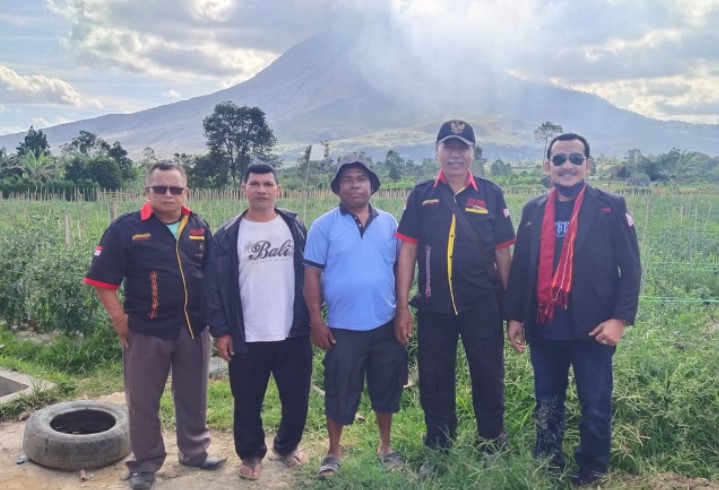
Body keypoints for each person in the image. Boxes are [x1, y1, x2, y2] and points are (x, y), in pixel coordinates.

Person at [504, 132, 641, 486]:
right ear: (547, 165)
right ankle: (548, 464)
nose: (568, 166)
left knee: (595, 404)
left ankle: (592, 470)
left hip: (593, 329)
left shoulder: (610, 206)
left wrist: (620, 319)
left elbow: (632, 267)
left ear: (588, 165)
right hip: (545, 326)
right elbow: (521, 268)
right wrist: (515, 316)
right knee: (547, 401)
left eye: (576, 159)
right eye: (560, 159)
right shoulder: (533, 209)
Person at [83, 161, 225, 490]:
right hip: (146, 329)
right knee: (143, 399)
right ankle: (145, 464)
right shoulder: (126, 228)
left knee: (194, 394)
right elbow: (102, 281)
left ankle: (194, 452)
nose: (168, 194)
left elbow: (213, 279)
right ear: (147, 191)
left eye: (175, 189)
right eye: (160, 188)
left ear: (185, 192)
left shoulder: (198, 227)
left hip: (193, 327)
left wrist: (217, 325)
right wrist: (120, 319)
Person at [395, 120, 515, 465]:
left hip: (482, 305)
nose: (456, 154)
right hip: (433, 306)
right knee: (433, 377)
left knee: (488, 375)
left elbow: (504, 254)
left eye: (463, 147)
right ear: (437, 151)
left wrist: (512, 311)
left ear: (473, 153)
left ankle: (492, 442)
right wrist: (402, 306)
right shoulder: (421, 195)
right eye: (449, 146)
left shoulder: (491, 194)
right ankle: (439, 444)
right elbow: (407, 253)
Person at [202, 163, 312, 481]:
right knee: (247, 400)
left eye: (267, 184)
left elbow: (312, 274)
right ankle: (251, 453)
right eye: (255, 184)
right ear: (244, 189)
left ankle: (287, 445)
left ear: (278, 189)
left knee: (296, 396)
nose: (261, 189)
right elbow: (213, 287)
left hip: (293, 330)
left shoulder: (294, 226)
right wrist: (221, 331)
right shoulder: (227, 235)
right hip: (246, 333)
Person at [304, 153, 407, 477]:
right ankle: (334, 452)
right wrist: (316, 321)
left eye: (361, 179)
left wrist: (402, 310)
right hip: (342, 328)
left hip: (385, 323)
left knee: (386, 386)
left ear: (372, 186)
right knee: (339, 388)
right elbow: (311, 276)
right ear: (337, 188)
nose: (354, 185)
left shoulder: (390, 223)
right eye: (347, 180)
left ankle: (386, 446)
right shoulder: (324, 225)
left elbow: (399, 269)